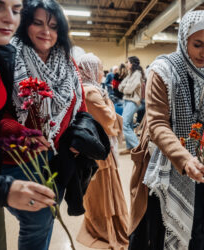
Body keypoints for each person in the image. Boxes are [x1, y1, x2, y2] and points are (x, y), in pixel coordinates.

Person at [128, 10, 204, 250]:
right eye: (198, 45)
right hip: (163, 169)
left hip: (198, 166)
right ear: (184, 39)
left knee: (198, 232)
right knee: (160, 231)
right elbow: (156, 124)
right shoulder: (163, 70)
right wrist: (184, 159)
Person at [0, 0, 87, 249]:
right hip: (20, 158)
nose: (46, 32)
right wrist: (22, 132)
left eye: (53, 26)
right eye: (37, 23)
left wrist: (77, 139)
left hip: (58, 158)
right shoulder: (8, 56)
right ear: (25, 24)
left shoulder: (68, 63)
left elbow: (80, 106)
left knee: (48, 216)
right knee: (36, 220)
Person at [0, 1, 56, 249]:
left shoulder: (1, 55)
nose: (10, 18)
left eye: (16, 9)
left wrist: (23, 133)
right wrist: (4, 189)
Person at [76, 53, 129, 249]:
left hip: (99, 147)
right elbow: (108, 120)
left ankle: (107, 226)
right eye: (98, 68)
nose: (101, 72)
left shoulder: (93, 89)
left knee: (107, 190)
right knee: (103, 193)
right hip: (99, 151)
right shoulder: (91, 92)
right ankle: (104, 230)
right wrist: (110, 105)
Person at [118, 56, 144, 155]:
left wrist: (125, 88)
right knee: (128, 124)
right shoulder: (130, 74)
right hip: (126, 100)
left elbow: (129, 89)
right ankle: (129, 147)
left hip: (133, 101)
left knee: (124, 124)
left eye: (128, 62)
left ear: (132, 63)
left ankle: (138, 147)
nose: (126, 64)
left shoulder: (137, 74)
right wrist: (125, 88)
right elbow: (120, 86)